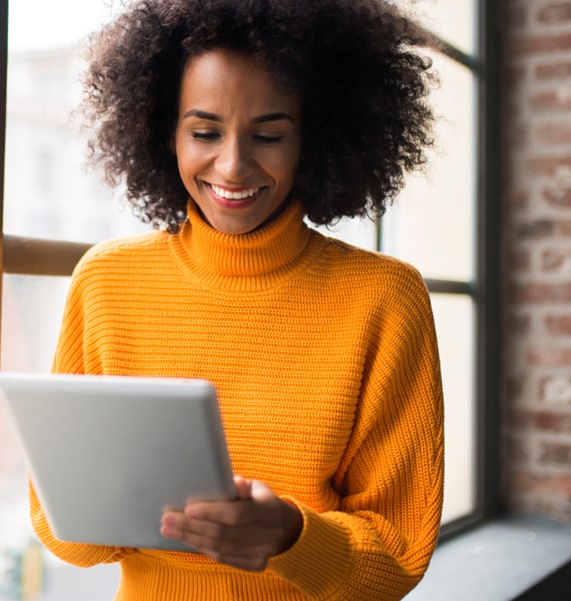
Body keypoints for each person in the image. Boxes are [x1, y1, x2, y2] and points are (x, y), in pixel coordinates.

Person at [30, 0, 445, 599]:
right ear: (161, 131)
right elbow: (65, 535)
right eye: (204, 132)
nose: (232, 165)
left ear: (316, 138)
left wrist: (290, 537)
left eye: (269, 135)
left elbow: (398, 557)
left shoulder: (384, 299)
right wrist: (101, 512)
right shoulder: (106, 281)